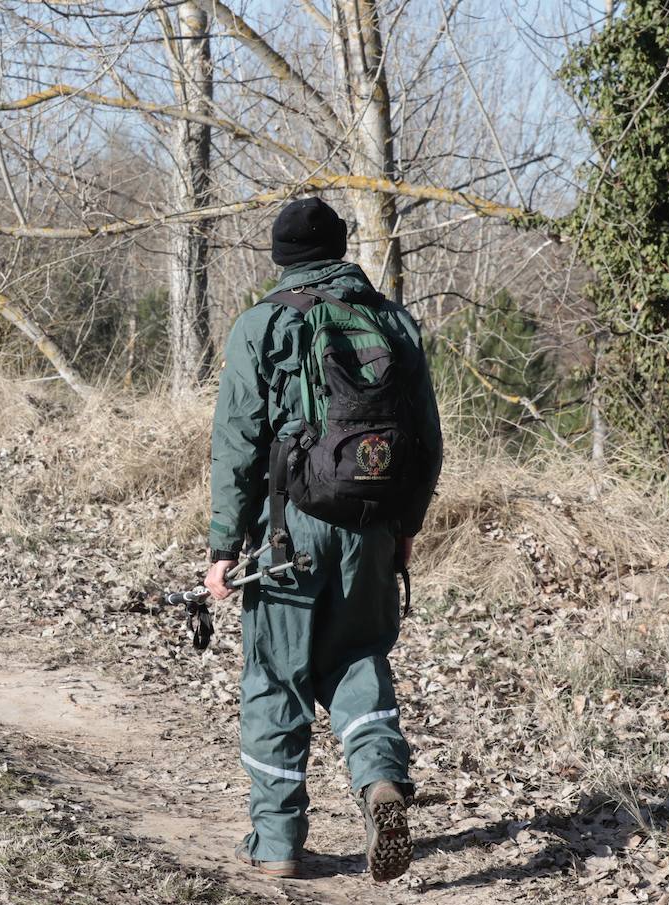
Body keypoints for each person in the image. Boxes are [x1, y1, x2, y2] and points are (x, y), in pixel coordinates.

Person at [206, 196, 442, 883]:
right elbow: (426, 442)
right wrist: (405, 529)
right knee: (359, 657)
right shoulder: (392, 321)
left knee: (276, 678)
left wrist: (225, 545)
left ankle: (278, 842)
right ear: (341, 249)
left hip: (289, 534)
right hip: (371, 530)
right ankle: (379, 784)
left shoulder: (262, 325)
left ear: (281, 259)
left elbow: (238, 444)